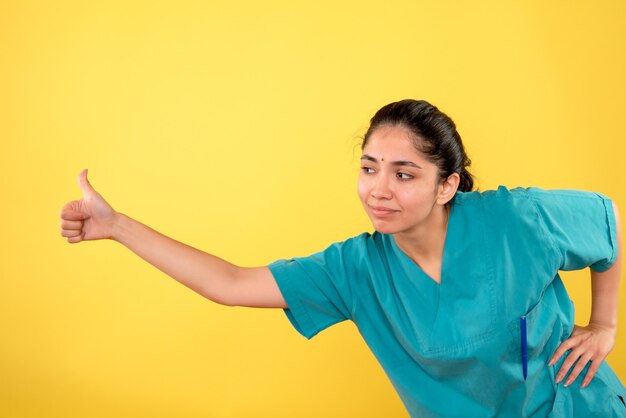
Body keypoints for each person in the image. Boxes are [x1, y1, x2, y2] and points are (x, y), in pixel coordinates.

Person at [60, 99, 625, 417]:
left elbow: (606, 221)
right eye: (369, 167)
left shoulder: (515, 221)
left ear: (447, 185)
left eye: (403, 174)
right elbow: (229, 283)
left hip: (581, 409)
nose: (379, 189)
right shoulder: (355, 271)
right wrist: (116, 227)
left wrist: (604, 325)